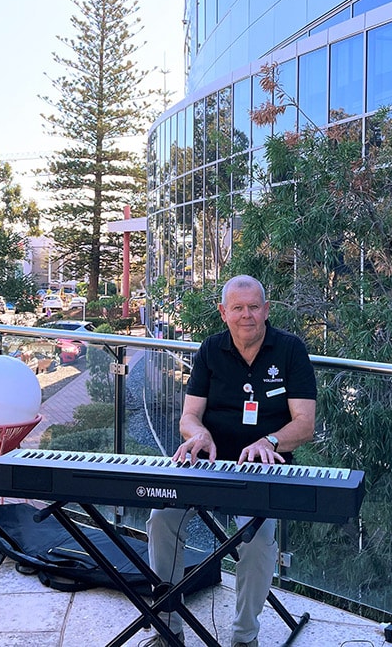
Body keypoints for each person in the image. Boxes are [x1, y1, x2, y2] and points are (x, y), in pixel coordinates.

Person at [144, 275, 317, 647]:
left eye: (254, 307)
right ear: (224, 313)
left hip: (265, 468)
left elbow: (305, 425)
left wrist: (270, 440)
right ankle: (168, 628)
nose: (246, 315)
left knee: (258, 540)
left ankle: (243, 636)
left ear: (266, 310)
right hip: (207, 463)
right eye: (237, 308)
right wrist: (199, 434)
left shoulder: (290, 350)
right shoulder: (209, 350)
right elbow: (188, 417)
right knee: (161, 519)